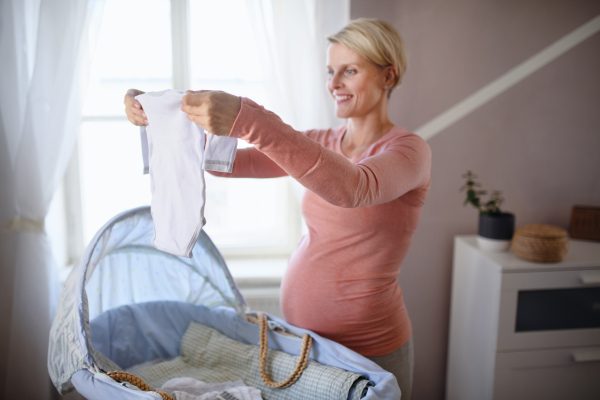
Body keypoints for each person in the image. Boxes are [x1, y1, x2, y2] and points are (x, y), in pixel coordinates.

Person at [124, 18, 431, 399]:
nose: (334, 84)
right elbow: (226, 163)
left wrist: (248, 119)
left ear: (389, 76)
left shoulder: (409, 151)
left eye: (349, 71)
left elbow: (353, 187)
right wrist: (157, 113)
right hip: (304, 341)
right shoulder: (320, 142)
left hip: (370, 347)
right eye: (330, 71)